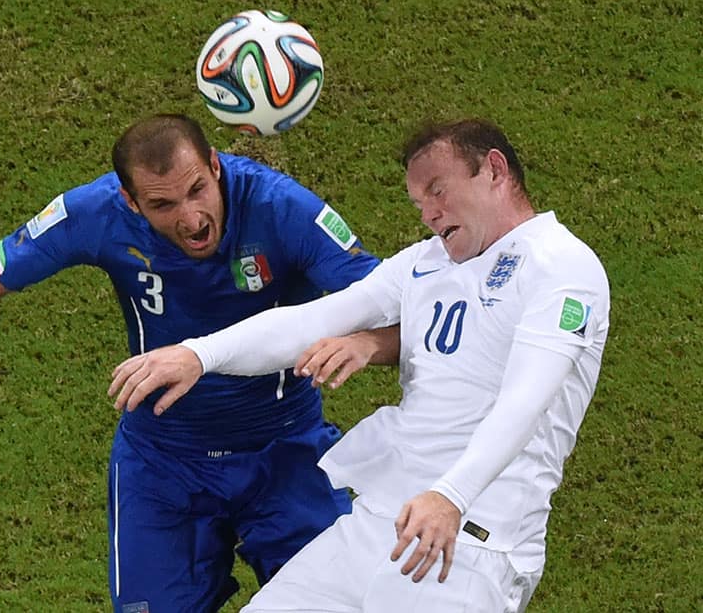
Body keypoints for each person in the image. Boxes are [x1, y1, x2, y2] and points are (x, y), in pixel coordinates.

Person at [109, 118, 611, 612]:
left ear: (495, 170)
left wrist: (450, 497)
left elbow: (526, 399)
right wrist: (200, 354)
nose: (429, 215)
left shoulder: (562, 267)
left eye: (438, 191)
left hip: (470, 542)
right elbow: (314, 318)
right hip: (379, 524)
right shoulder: (426, 262)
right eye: (419, 204)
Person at [0, 114, 395, 612]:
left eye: (196, 190)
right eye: (162, 205)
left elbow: (399, 303)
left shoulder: (283, 209)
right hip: (163, 463)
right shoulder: (94, 212)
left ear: (215, 166)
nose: (190, 219)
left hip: (286, 453)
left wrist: (369, 345)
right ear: (130, 201)